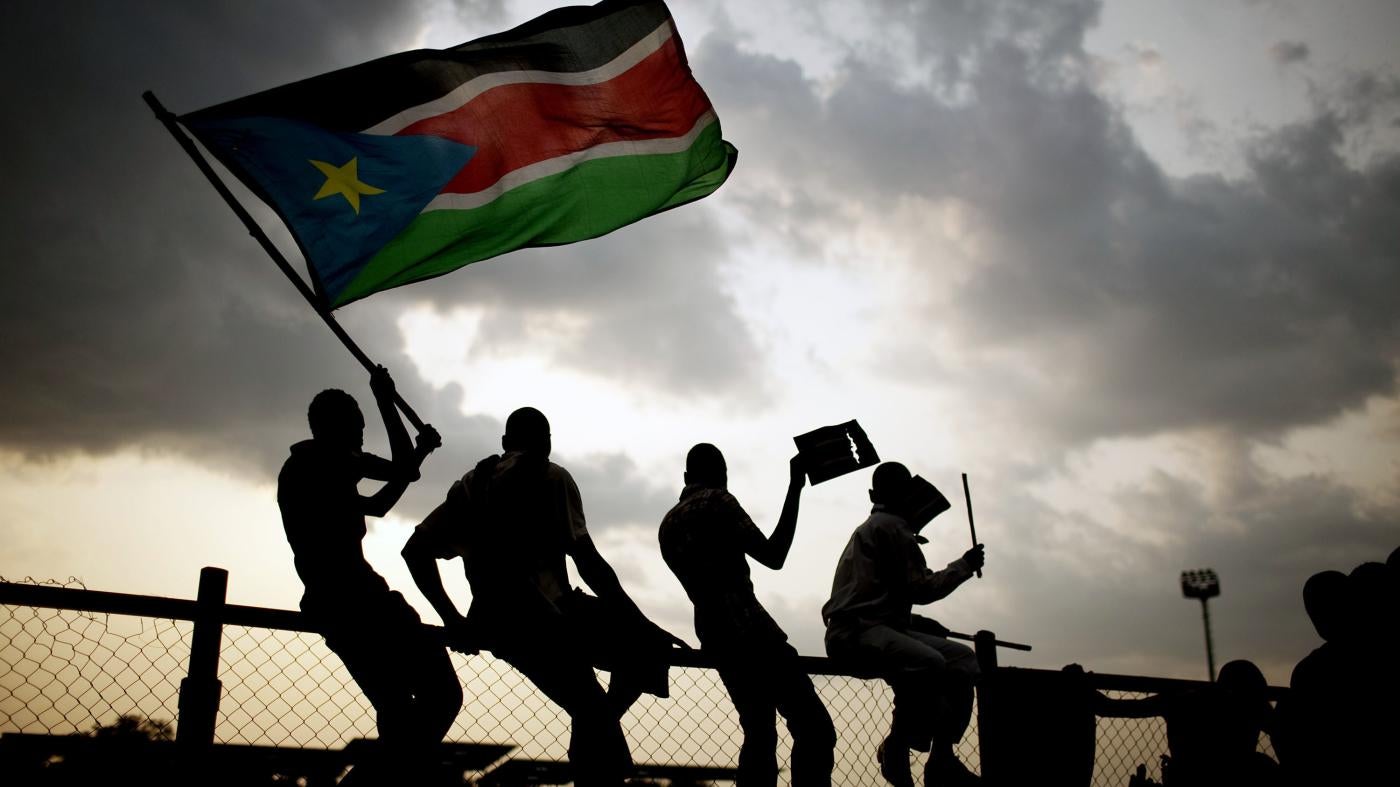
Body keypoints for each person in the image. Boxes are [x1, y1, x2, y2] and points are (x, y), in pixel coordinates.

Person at [403, 407, 683, 787]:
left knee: (591, 706)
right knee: (641, 654)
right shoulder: (552, 477)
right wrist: (638, 619)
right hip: (551, 615)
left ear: (504, 443)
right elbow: (588, 562)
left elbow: (415, 551)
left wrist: (454, 620)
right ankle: (597, 739)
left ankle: (595, 732)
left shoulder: (471, 484)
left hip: (498, 620)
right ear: (548, 443)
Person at [276, 366, 458, 785]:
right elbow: (401, 470)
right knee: (436, 695)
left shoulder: (309, 468)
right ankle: (373, 784)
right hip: (357, 602)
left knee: (397, 710)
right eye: (357, 429)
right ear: (332, 428)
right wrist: (384, 399)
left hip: (337, 603)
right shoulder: (327, 461)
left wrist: (419, 453)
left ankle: (378, 783)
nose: (361, 437)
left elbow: (378, 504)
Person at [658, 444, 836, 786]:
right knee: (814, 728)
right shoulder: (719, 501)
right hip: (751, 629)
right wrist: (794, 487)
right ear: (723, 476)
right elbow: (774, 555)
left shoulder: (668, 525)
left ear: (685, 477)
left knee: (759, 734)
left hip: (713, 634)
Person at [822, 461, 984, 787]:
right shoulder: (892, 528)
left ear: (873, 494)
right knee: (931, 662)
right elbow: (921, 589)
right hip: (856, 632)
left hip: (871, 628)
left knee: (964, 660)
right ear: (908, 494)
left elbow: (884, 596)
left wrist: (915, 622)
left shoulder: (877, 529)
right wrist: (963, 566)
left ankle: (941, 757)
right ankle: (898, 746)